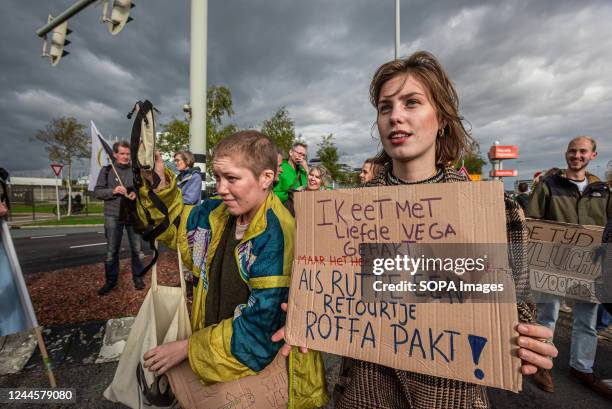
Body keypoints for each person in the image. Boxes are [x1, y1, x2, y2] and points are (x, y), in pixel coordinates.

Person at [273, 51, 558, 409]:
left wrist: (532, 344)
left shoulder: (497, 212)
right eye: (384, 107)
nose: (396, 117)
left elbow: (520, 314)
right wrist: (307, 313)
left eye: (412, 103)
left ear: (441, 118)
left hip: (450, 398)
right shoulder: (344, 214)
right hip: (364, 394)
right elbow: (334, 293)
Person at [139, 131, 328, 409]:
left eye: (232, 178)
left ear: (265, 178)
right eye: (217, 178)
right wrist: (158, 185)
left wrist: (188, 348)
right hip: (220, 361)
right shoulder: (217, 212)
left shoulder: (278, 233)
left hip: (268, 378)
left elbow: (260, 330)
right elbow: (174, 226)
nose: (221, 188)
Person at [527, 136, 612, 399]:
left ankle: (582, 368)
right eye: (572, 151)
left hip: (590, 265)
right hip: (553, 263)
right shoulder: (548, 185)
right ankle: (543, 366)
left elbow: (609, 227)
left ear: (592, 156)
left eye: (582, 151)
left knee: (586, 320)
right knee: (547, 316)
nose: (577, 155)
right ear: (566, 154)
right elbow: (532, 222)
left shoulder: (603, 191)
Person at [94, 141, 146, 295]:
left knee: (137, 250)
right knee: (111, 251)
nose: (125, 157)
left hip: (132, 215)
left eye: (128, 154)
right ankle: (111, 281)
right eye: (122, 153)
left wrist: (136, 194)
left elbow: (143, 190)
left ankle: (138, 277)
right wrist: (114, 190)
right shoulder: (107, 170)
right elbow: (97, 192)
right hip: (113, 215)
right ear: (115, 154)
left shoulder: (136, 171)